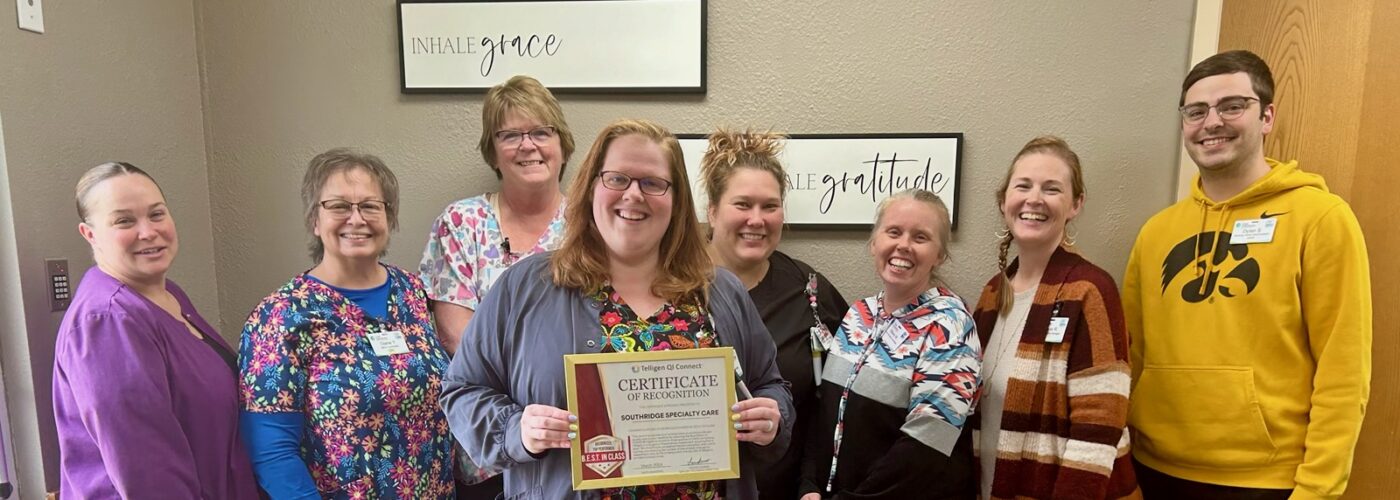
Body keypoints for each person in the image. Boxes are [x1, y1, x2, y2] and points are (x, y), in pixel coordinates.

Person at [440, 118, 793, 499]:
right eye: (617, 179)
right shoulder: (525, 287)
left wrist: (771, 417)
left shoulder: (720, 291)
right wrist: (516, 430)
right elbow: (462, 390)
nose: (634, 195)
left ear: (676, 201)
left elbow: (770, 384)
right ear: (592, 186)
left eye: (653, 183)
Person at [1124, 50, 1372, 499]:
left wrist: (1317, 490)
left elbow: (1344, 372)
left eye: (1232, 106)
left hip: (1267, 482)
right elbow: (1131, 355)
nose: (1212, 122)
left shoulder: (1320, 218)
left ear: (1267, 116)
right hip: (1154, 469)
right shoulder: (1157, 233)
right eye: (1196, 111)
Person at [238, 149, 455, 499]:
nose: (356, 219)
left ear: (389, 217)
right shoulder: (282, 316)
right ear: (314, 219)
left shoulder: (412, 293)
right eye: (339, 206)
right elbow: (271, 452)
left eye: (371, 206)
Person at [52, 162, 259, 499]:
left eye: (157, 214)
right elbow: (149, 475)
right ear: (90, 234)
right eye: (124, 221)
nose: (148, 232)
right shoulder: (108, 321)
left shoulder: (167, 295)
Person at [419, 74, 575, 497]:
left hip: (571, 445)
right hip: (486, 448)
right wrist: (525, 410)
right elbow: (456, 336)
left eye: (541, 132)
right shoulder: (461, 224)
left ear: (562, 143)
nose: (528, 145)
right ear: (493, 150)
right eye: (510, 135)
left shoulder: (590, 224)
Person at [971, 136, 1137, 499]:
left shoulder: (1090, 291)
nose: (1034, 199)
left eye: (1052, 189)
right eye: (1023, 186)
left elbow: (1098, 429)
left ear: (1075, 204)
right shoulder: (990, 297)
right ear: (1004, 200)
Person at [800, 189, 980, 499]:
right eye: (893, 232)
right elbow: (825, 407)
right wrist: (808, 485)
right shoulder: (859, 314)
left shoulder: (950, 327)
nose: (904, 245)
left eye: (920, 237)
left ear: (939, 255)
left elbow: (925, 450)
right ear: (874, 243)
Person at [698, 128, 847, 499]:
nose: (757, 219)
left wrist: (811, 483)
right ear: (712, 211)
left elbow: (832, 404)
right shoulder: (666, 286)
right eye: (742, 204)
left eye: (770, 206)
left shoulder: (810, 291)